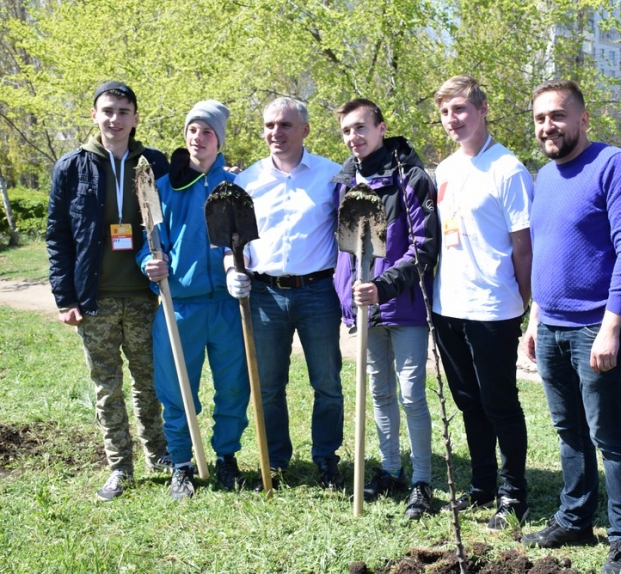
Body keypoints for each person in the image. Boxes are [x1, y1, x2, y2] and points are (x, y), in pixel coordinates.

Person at [520, 80, 621, 573]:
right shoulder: (545, 176)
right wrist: (533, 320)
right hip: (549, 326)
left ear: (582, 119)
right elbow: (548, 252)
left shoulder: (612, 164)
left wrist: (613, 327)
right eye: (539, 118)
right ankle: (575, 518)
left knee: (608, 433)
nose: (547, 126)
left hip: (595, 326)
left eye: (557, 116)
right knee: (567, 428)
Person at [47, 81, 171, 502]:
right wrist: (65, 297)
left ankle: (162, 457)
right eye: (107, 111)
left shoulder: (153, 163)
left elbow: (172, 225)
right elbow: (57, 235)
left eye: (123, 111)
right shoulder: (72, 166)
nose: (114, 119)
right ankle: (120, 467)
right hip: (94, 298)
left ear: (136, 117)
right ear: (94, 115)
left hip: (145, 296)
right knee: (107, 386)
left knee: (149, 382)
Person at [224, 97, 344, 490]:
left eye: (286, 125)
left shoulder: (332, 175)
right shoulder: (247, 181)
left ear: (305, 130)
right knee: (269, 385)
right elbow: (232, 243)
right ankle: (274, 461)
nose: (276, 132)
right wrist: (231, 271)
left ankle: (326, 459)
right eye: (270, 125)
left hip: (317, 292)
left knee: (326, 382)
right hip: (264, 295)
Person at [431, 75, 533, 530]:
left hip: (493, 307)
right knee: (468, 401)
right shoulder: (445, 169)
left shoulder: (507, 168)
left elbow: (523, 245)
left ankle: (514, 493)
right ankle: (483, 484)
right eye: (446, 112)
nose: (453, 120)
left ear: (482, 109)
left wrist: (524, 300)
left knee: (500, 403)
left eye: (460, 110)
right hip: (448, 304)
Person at [138, 100, 251, 499]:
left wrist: (241, 269)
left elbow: (246, 242)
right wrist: (151, 266)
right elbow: (149, 245)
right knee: (176, 388)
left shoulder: (234, 187)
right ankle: (182, 463)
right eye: (192, 131)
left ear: (219, 139)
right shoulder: (164, 189)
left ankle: (226, 458)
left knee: (235, 386)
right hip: (179, 305)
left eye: (206, 132)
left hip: (227, 305)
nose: (197, 138)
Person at [332, 98, 438, 519]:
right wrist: (350, 293)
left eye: (361, 128)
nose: (354, 137)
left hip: (404, 303)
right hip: (365, 307)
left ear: (381, 128)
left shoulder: (410, 177)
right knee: (378, 392)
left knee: (412, 394)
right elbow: (343, 249)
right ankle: (391, 469)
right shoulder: (345, 182)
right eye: (346, 131)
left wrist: (384, 286)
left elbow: (423, 246)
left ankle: (422, 482)